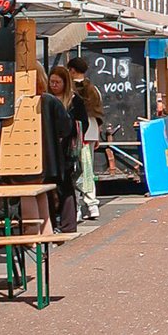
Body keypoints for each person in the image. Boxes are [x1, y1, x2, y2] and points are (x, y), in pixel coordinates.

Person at [43, 67, 82, 230]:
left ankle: (68, 224)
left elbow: (81, 123)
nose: (54, 85)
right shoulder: (46, 100)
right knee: (48, 188)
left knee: (65, 186)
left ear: (65, 83)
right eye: (51, 82)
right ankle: (50, 224)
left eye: (57, 82)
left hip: (65, 151)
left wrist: (66, 133)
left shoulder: (74, 100)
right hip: (50, 150)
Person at [66, 57, 103, 221]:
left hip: (77, 132)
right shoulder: (94, 89)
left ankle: (78, 206)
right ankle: (92, 205)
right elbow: (99, 113)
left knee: (76, 169)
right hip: (92, 131)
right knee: (88, 168)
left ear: (72, 70)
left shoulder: (70, 89)